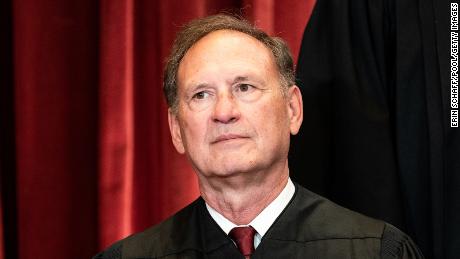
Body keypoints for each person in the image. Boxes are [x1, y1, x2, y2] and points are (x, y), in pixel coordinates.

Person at [94, 14, 423, 259]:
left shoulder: (377, 251)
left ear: (293, 109)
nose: (224, 111)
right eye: (201, 95)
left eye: (244, 87)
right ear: (177, 130)